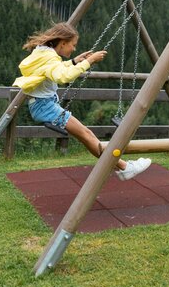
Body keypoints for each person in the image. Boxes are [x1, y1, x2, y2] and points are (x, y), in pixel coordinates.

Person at [13, 22, 151, 181]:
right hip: (45, 107)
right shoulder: (50, 58)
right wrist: (89, 61)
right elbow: (63, 77)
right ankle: (125, 167)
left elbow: (55, 69)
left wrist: (74, 61)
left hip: (41, 105)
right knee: (87, 134)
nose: (74, 49)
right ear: (63, 43)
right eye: (73, 45)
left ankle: (117, 165)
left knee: (86, 137)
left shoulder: (43, 52)